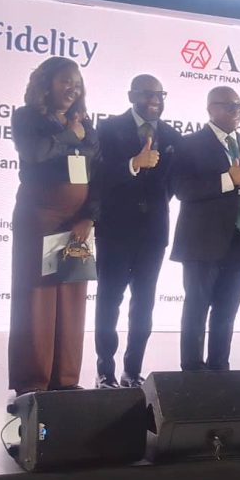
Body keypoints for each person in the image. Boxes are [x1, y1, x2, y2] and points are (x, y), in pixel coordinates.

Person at [8, 56, 99, 396]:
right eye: (65, 81)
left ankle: (66, 380)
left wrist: (89, 216)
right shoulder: (27, 117)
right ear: (46, 84)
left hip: (76, 222)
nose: (72, 88)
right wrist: (69, 134)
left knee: (72, 296)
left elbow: (97, 174)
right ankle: (33, 382)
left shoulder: (85, 123)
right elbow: (35, 153)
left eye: (77, 82)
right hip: (40, 218)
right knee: (38, 298)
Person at [93, 75, 182, 389]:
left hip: (153, 233)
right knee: (109, 302)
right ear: (131, 95)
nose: (155, 100)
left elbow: (171, 185)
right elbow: (99, 176)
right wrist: (134, 163)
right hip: (114, 231)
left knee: (144, 305)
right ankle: (105, 372)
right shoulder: (107, 129)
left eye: (160, 94)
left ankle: (132, 371)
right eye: (147, 94)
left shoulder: (172, 136)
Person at [170, 86, 240, 371]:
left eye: (239, 106)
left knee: (227, 310)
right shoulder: (189, 144)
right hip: (203, 242)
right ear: (210, 108)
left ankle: (219, 368)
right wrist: (227, 180)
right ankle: (191, 369)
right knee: (197, 308)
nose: (235, 111)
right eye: (228, 106)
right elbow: (182, 189)